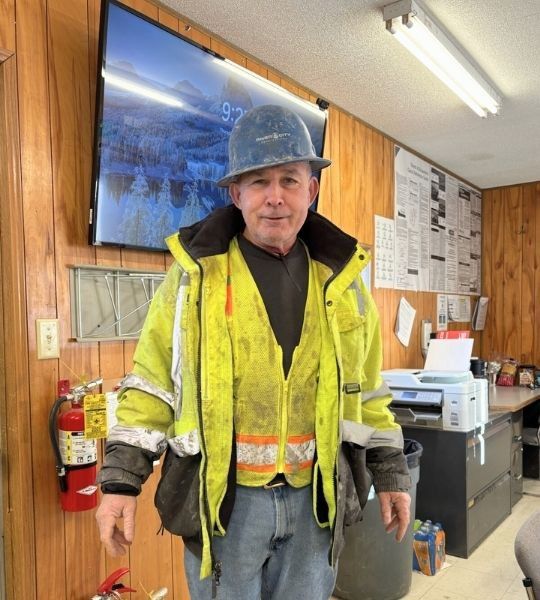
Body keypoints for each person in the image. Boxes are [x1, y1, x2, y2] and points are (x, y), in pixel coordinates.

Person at [95, 104, 411, 599]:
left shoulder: (344, 282)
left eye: (289, 180)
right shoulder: (194, 279)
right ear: (236, 193)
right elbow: (152, 384)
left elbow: (368, 392)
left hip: (316, 505)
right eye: (259, 181)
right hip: (225, 506)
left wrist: (390, 471)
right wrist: (120, 482)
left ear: (312, 189)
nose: (275, 197)